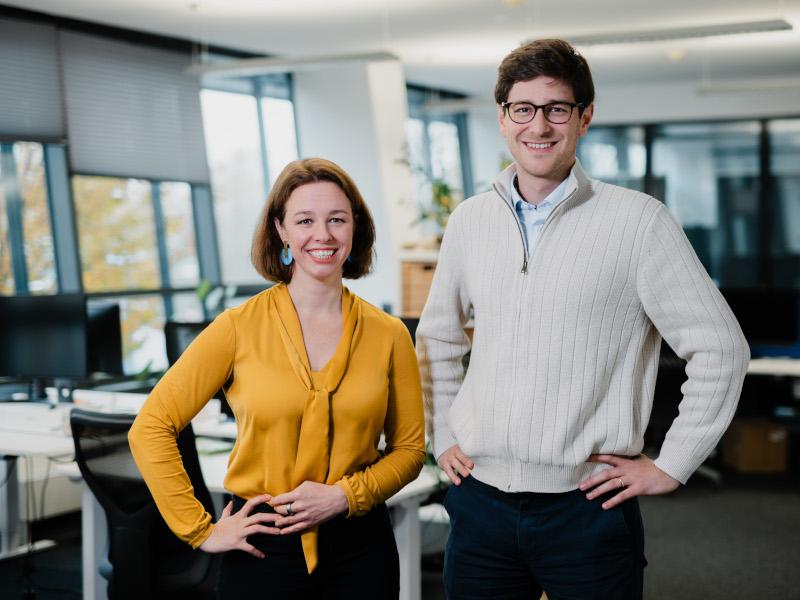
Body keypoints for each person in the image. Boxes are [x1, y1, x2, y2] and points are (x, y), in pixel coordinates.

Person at [416, 39, 750, 599]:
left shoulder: (639, 222)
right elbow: (438, 339)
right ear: (502, 117)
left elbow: (721, 348)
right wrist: (444, 433)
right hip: (479, 501)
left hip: (587, 506)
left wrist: (674, 463)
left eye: (556, 108)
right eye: (523, 108)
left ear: (584, 116)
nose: (538, 125)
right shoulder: (470, 221)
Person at [129, 157, 426, 599]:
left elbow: (410, 450)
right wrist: (199, 530)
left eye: (337, 219)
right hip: (263, 546)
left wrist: (344, 496)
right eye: (305, 220)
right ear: (281, 230)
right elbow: (151, 426)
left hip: (361, 547)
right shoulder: (238, 327)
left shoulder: (389, 334)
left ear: (355, 228)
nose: (322, 235)